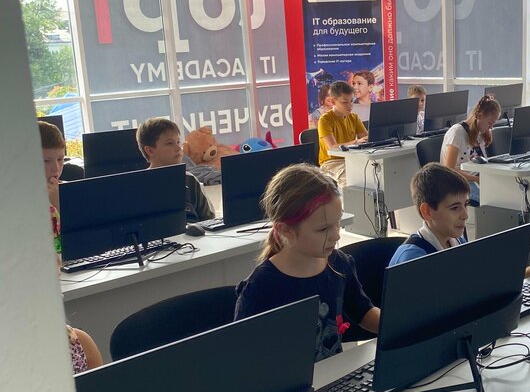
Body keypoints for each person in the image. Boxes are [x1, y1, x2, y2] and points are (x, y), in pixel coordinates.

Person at [234, 163, 380, 360]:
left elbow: (363, 312)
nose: (336, 235)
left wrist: (402, 324)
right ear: (286, 230)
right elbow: (243, 355)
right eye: (323, 229)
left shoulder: (338, 264)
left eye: (338, 223)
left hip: (333, 375)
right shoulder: (261, 287)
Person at [389, 163, 530, 276]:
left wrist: (527, 272)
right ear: (427, 212)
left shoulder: (456, 241)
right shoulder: (412, 259)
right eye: (454, 208)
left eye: (465, 204)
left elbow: (477, 279)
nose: (465, 215)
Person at [136, 117, 214, 223]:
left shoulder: (190, 180)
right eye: (169, 143)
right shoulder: (140, 185)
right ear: (150, 150)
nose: (178, 148)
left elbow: (209, 220)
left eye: (178, 142)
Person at [440, 94, 501, 204]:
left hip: (476, 178)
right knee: (493, 200)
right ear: (480, 116)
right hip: (458, 183)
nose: (491, 127)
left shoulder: (480, 133)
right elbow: (449, 170)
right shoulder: (457, 132)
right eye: (490, 123)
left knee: (507, 193)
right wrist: (477, 179)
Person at [316, 80, 368, 186]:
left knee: (374, 173)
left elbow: (366, 138)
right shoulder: (325, 120)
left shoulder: (353, 117)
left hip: (351, 158)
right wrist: (356, 142)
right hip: (331, 163)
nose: (350, 106)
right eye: (345, 102)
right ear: (333, 101)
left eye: (351, 101)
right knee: (352, 179)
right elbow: (332, 147)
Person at [39, 120, 66, 257]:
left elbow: (83, 235)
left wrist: (60, 204)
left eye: (60, 159)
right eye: (46, 161)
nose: (56, 168)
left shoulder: (69, 190)